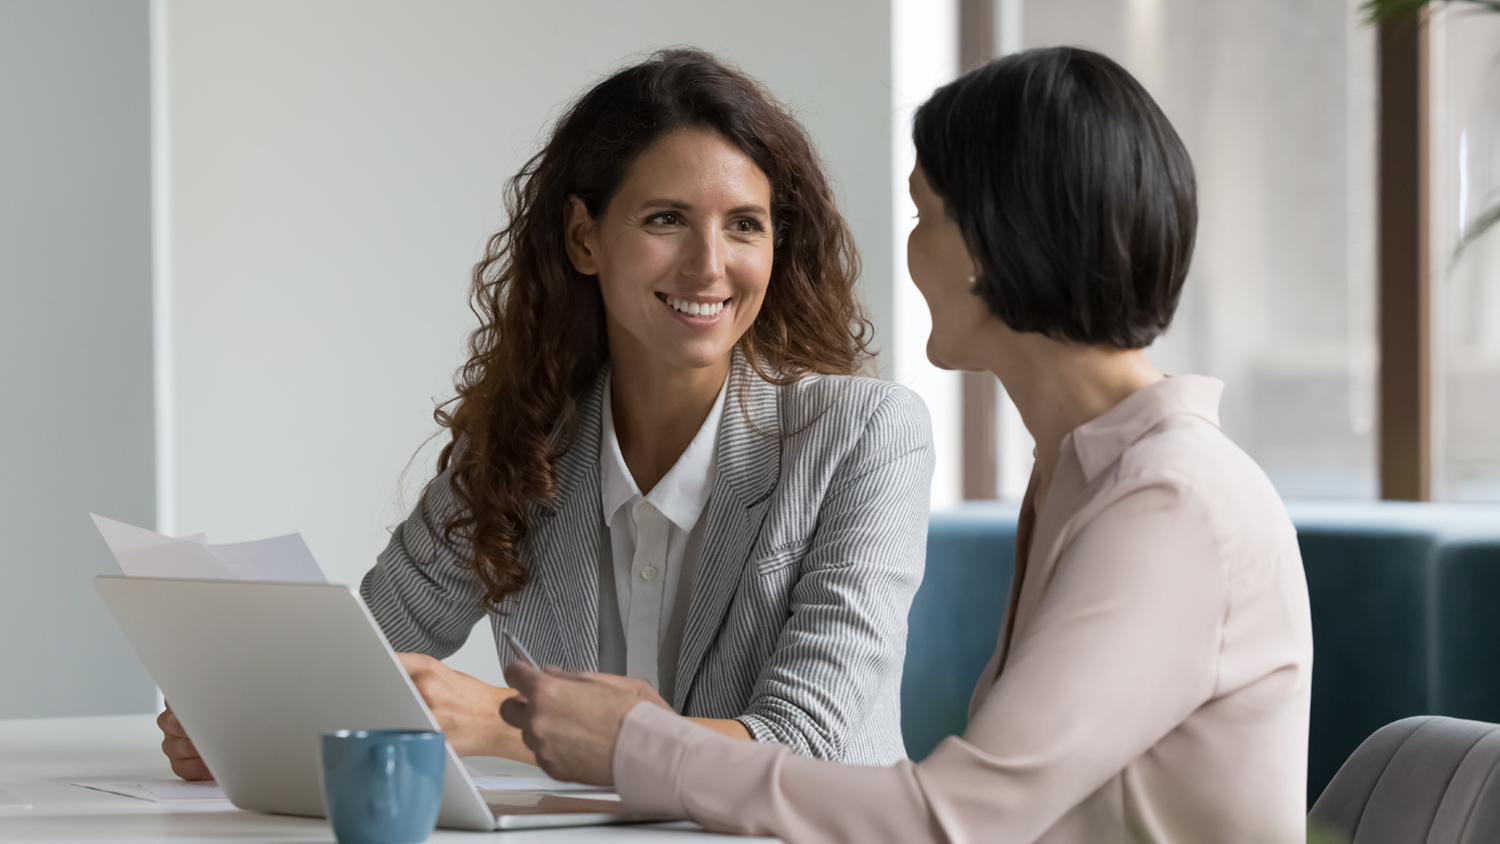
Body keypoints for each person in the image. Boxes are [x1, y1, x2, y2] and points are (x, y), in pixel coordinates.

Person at [498, 46, 1314, 844]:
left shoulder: (1172, 502)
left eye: (926, 214)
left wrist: (634, 742)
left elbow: (951, 820)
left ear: (993, 244)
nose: (912, 248)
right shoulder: (1082, 475)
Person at [155, 48, 934, 779]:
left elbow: (803, 746)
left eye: (744, 225)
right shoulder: (524, 442)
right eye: (665, 219)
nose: (709, 264)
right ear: (583, 237)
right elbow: (375, 657)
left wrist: (506, 723)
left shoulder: (866, 435)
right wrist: (254, 714)